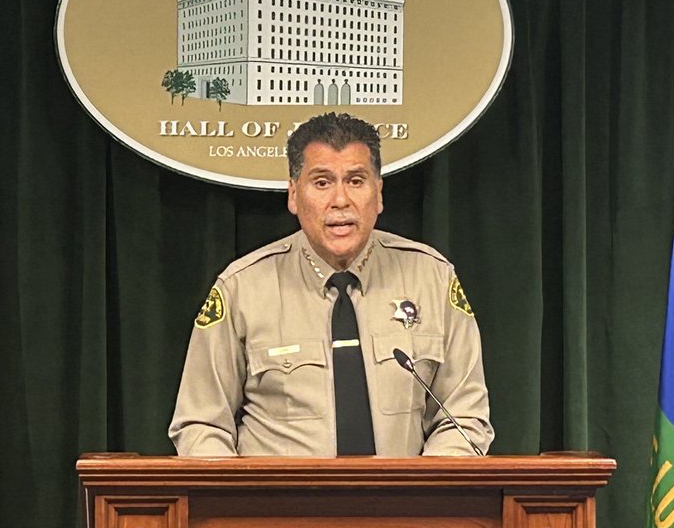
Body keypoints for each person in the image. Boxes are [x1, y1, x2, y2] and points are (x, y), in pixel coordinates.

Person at [169, 112, 493, 456]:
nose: (340, 200)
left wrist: (422, 498)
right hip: (277, 508)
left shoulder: (432, 278)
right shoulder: (242, 289)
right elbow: (201, 425)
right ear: (294, 194)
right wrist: (243, 504)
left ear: (379, 194)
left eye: (356, 181)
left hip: (404, 507)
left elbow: (464, 418)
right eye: (322, 183)